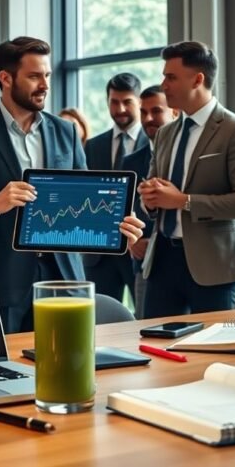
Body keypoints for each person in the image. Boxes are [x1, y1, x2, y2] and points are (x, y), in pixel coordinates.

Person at [0, 36, 144, 332]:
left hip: (66, 280)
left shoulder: (66, 131)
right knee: (11, 361)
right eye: (34, 76)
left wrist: (117, 223)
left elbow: (86, 201)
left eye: (47, 75)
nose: (45, 85)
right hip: (5, 282)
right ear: (6, 78)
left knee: (72, 358)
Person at [138, 41, 235, 317]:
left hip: (214, 265)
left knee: (209, 343)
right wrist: (149, 197)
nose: (163, 85)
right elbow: (155, 188)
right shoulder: (165, 133)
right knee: (155, 340)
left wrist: (183, 201)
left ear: (198, 80)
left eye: (171, 77)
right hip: (162, 261)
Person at [83, 72, 148, 303]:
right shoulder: (93, 146)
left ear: (139, 102)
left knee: (144, 316)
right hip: (100, 253)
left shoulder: (154, 144)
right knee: (101, 317)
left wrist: (144, 238)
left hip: (139, 247)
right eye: (114, 102)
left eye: (127, 102)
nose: (120, 109)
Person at [122, 85, 178, 318]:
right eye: (143, 112)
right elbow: (123, 209)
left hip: (186, 259)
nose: (148, 119)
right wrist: (132, 241)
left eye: (156, 111)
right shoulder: (131, 161)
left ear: (174, 112)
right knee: (146, 326)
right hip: (145, 262)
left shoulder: (184, 156)